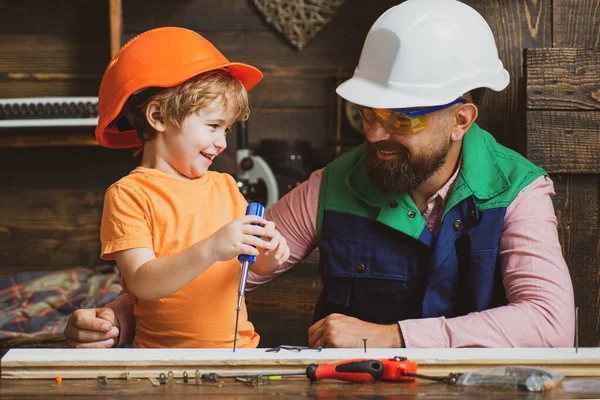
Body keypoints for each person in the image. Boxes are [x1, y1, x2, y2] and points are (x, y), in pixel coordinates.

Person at [64, 0, 574, 349]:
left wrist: (389, 336)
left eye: (401, 119)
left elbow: (553, 326)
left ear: (460, 120)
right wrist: (121, 313)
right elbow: (227, 268)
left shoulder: (519, 190)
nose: (373, 135)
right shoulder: (334, 184)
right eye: (367, 114)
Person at [73, 27, 290, 348]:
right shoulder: (129, 194)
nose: (222, 143)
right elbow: (143, 283)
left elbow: (253, 263)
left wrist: (271, 254)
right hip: (161, 362)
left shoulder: (226, 186)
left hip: (239, 351)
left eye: (227, 129)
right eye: (213, 126)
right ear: (159, 116)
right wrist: (212, 247)